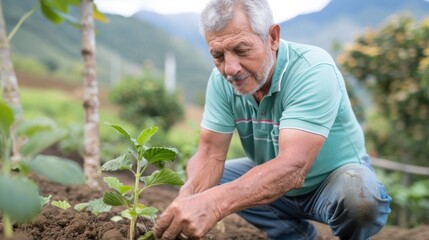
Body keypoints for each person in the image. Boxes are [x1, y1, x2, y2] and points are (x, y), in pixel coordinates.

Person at [153, 0, 392, 239]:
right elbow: (209, 154)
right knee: (213, 179)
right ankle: (297, 236)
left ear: (273, 38)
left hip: (331, 181)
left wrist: (213, 203)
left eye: (241, 50)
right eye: (218, 55)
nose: (230, 68)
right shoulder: (221, 81)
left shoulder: (312, 69)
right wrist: (189, 199)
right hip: (272, 181)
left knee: (360, 197)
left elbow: (293, 167)